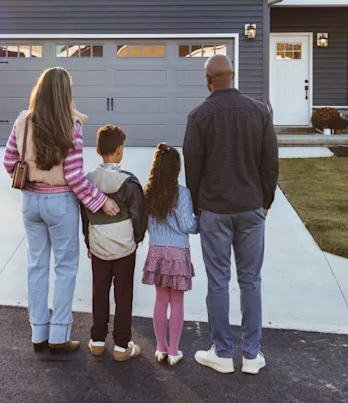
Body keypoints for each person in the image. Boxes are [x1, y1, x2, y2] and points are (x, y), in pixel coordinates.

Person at [3, 67, 120, 354]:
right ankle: (58, 336)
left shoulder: (24, 121)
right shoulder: (71, 124)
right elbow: (74, 176)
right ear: (65, 92)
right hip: (60, 204)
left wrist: (30, 178)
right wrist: (101, 200)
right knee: (65, 268)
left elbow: (9, 161)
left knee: (36, 266)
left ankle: (38, 333)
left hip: (30, 203)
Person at [183, 54, 279, 375]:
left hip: (214, 210)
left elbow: (192, 167)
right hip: (251, 208)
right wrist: (265, 201)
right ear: (233, 75)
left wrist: (197, 203)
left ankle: (223, 352)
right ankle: (251, 355)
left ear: (207, 78)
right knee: (251, 281)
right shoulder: (260, 112)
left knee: (218, 282)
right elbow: (270, 162)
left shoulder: (199, 116)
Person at [81, 125, 146, 362]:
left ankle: (97, 341)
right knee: (123, 294)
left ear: (98, 151)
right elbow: (139, 214)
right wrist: (137, 238)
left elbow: (84, 215)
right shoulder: (129, 182)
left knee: (99, 292)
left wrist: (89, 242)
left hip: (98, 246)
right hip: (124, 247)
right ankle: (121, 345)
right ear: (119, 151)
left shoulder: (88, 181)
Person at [141, 143, 199, 366]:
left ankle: (160, 348)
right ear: (177, 169)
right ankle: (174, 351)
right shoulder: (182, 193)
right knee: (177, 302)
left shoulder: (150, 193)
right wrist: (200, 221)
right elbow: (187, 225)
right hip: (177, 253)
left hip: (157, 251)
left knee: (160, 300)